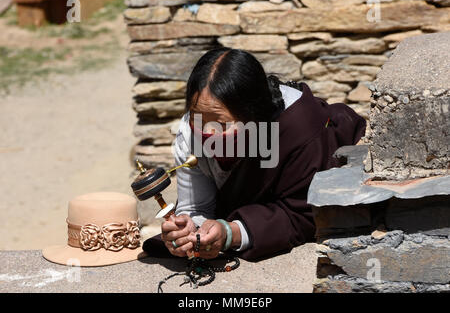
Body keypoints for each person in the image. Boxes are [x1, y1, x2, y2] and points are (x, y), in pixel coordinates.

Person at [143, 47, 366, 261]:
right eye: (197, 117)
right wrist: (189, 233)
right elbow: (197, 207)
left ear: (253, 115)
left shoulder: (299, 130)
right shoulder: (190, 134)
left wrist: (230, 233)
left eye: (220, 123)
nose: (207, 132)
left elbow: (302, 214)